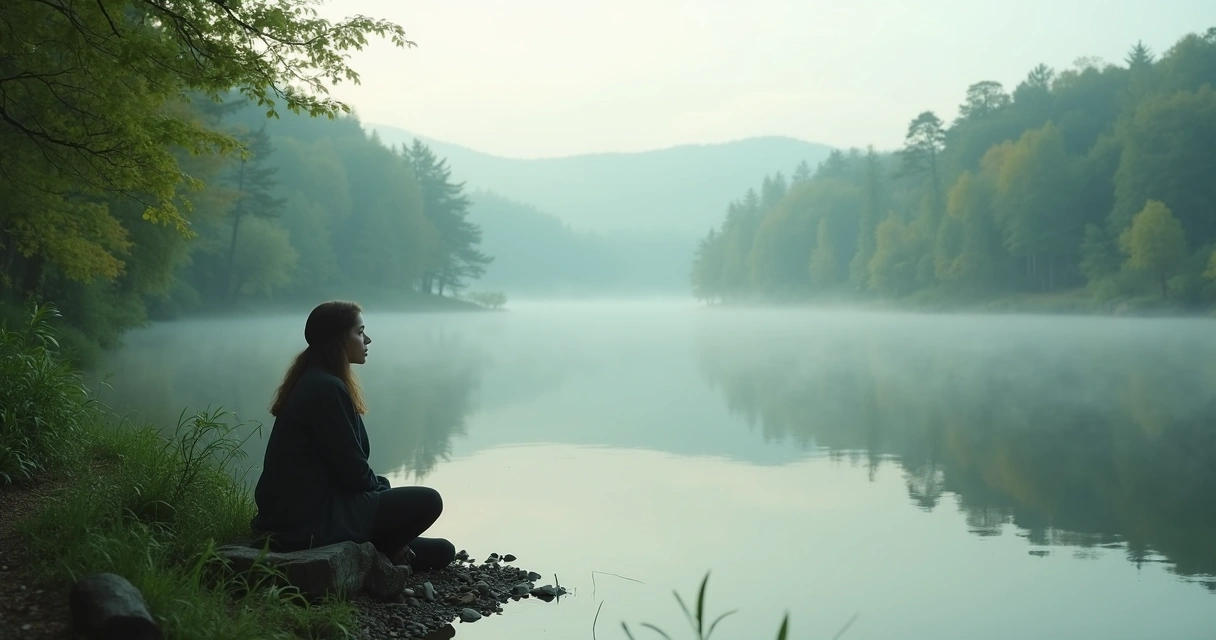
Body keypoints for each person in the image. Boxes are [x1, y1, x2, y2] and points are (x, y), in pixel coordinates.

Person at [250, 300, 455, 571]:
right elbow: (353, 471)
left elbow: (348, 471)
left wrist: (378, 487)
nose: (367, 339)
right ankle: (386, 550)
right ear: (339, 340)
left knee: (442, 549)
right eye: (360, 332)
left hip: (309, 509)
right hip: (307, 520)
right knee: (430, 501)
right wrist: (376, 490)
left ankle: (389, 547)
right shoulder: (325, 388)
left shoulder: (318, 379)